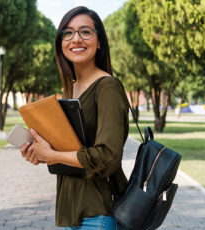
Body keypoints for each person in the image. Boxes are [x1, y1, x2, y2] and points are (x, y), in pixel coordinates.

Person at [20, 6, 129, 229]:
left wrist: (53, 154)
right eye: (68, 33)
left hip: (97, 212)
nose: (75, 39)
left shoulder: (108, 87)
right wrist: (41, 153)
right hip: (71, 210)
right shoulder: (71, 89)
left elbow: (108, 157)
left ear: (99, 42)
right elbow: (70, 149)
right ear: (61, 43)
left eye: (85, 32)